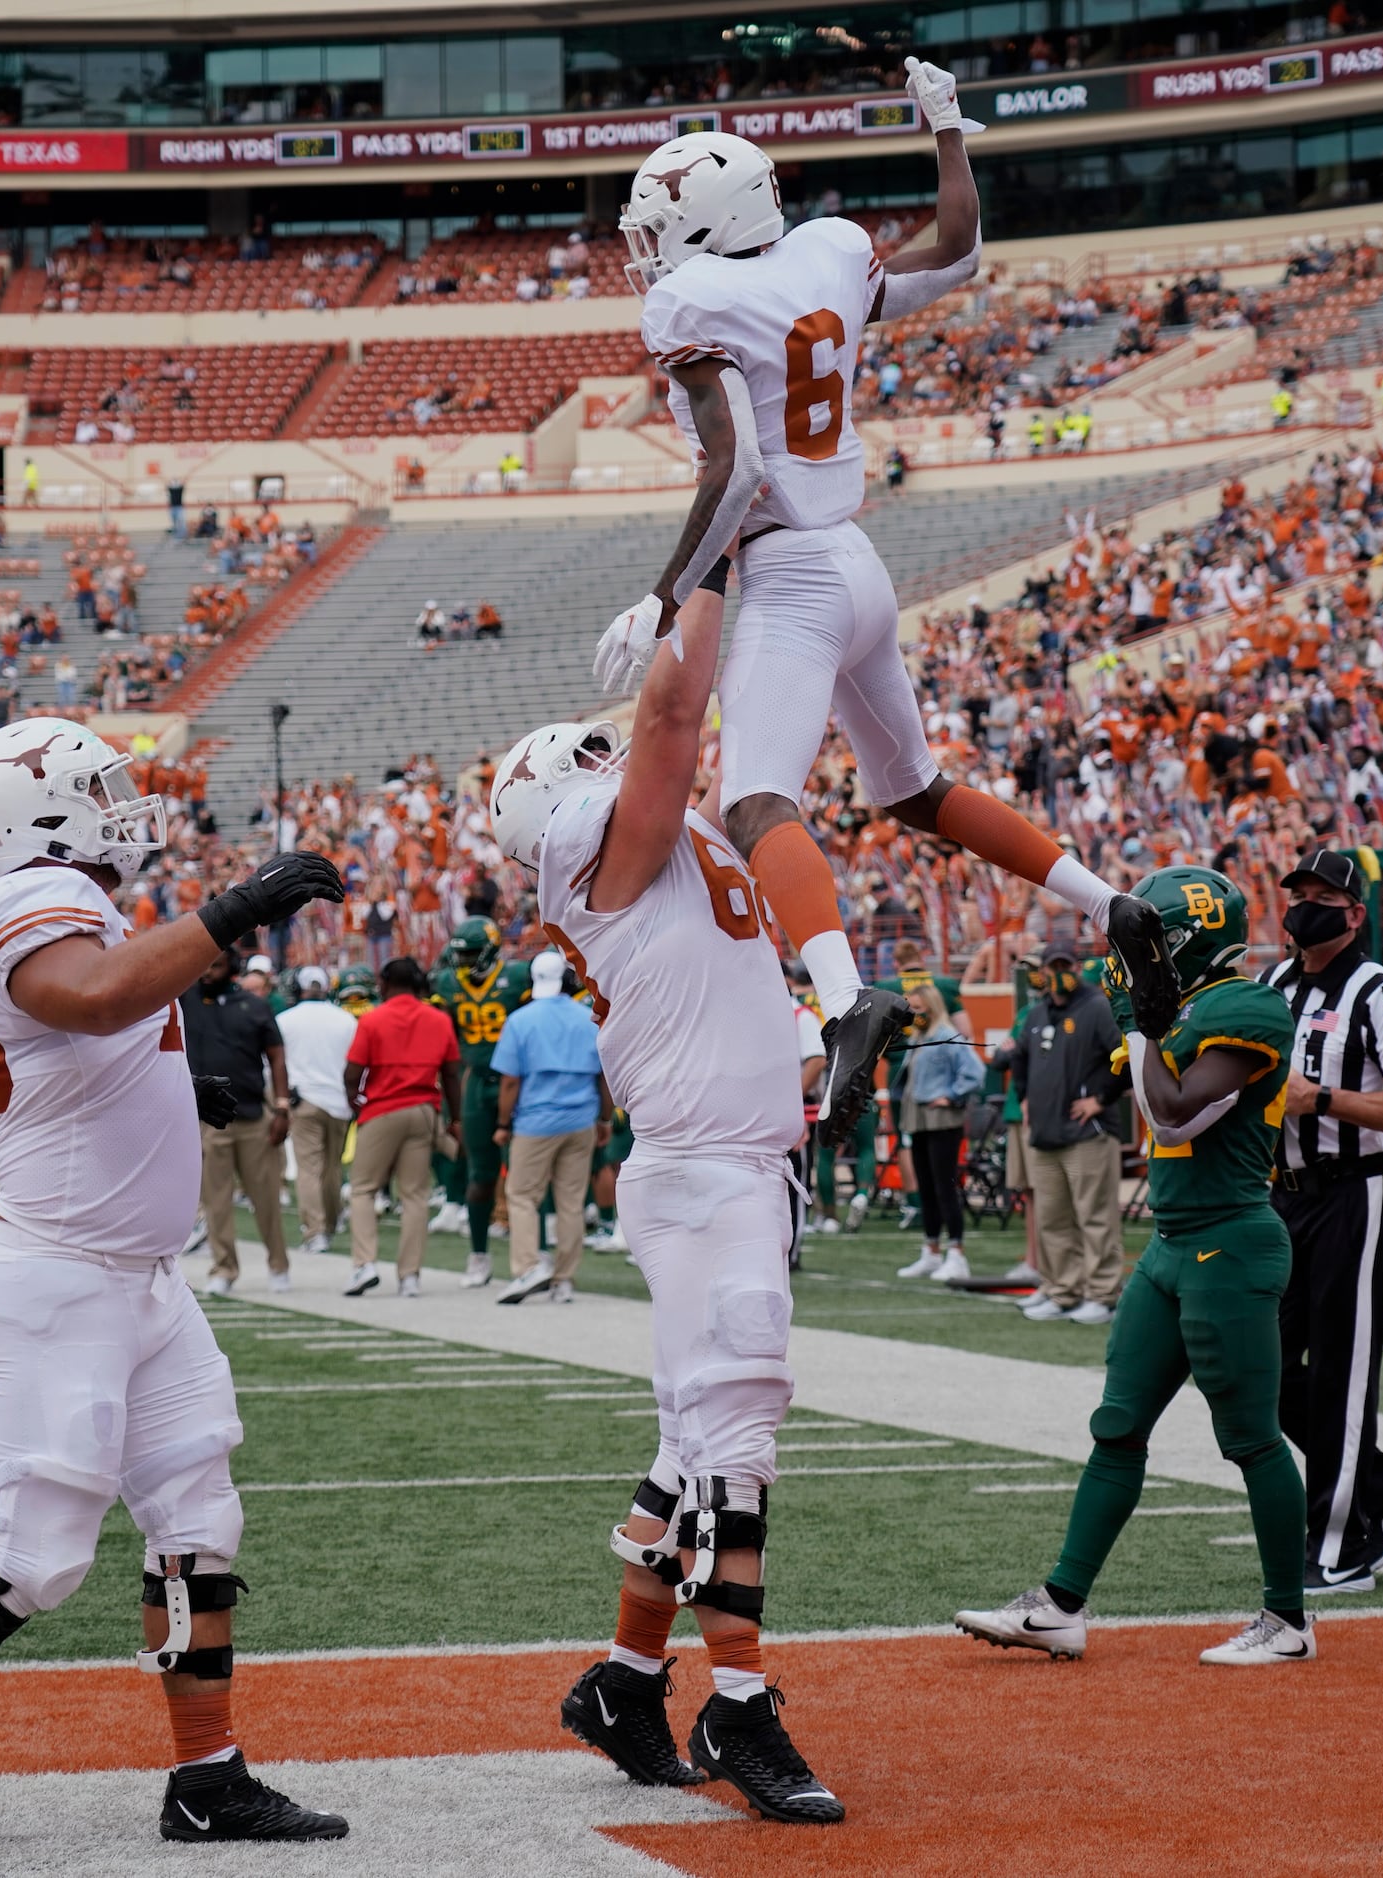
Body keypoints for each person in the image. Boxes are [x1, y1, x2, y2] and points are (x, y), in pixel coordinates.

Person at [0, 717, 346, 1856]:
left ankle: (209, 1777)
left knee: (200, 1523)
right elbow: (91, 999)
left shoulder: (75, 906)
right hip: (59, 1279)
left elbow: (98, 1041)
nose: (123, 803)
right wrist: (233, 911)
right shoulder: (19, 904)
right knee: (39, 1558)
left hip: (141, 1280)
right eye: (99, 787)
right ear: (38, 812)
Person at [596, 70, 1173, 1145]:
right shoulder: (826, 252)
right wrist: (947, 133)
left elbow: (733, 470)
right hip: (856, 559)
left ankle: (840, 997)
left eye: (663, 228)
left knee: (753, 804)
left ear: (710, 228)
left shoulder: (694, 300)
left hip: (788, 570)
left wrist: (664, 594)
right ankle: (1115, 908)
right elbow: (955, 252)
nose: (649, 251)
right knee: (910, 789)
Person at [490, 576, 843, 1824]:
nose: (618, 758)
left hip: (737, 1162)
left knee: (687, 1450)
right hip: (701, 1171)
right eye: (588, 759)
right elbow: (668, 723)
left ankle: (627, 1682)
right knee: (735, 1433)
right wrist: (704, 587)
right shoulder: (605, 850)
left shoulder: (673, 847)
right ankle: (737, 1705)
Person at [956, 866, 1319, 1668]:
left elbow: (1171, 1107)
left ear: (1179, 945)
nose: (1129, 962)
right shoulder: (1189, 1007)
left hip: (1231, 1241)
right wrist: (1144, 1020)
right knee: (1117, 1425)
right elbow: (1152, 1089)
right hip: (1173, 1243)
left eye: (1145, 946)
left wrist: (1133, 1017)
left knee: (1252, 1439)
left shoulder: (1246, 1006)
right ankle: (1060, 1606)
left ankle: (1288, 1620)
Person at [1259, 849, 1383, 1598]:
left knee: (1341, 1369)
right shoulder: (1271, 982)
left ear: (1354, 912)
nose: (1306, 903)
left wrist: (1322, 1100)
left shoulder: (1378, 992)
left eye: (1322, 894)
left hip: (1352, 1193)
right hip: (1282, 1194)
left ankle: (1339, 1543)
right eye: (1297, 890)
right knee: (1256, 1365)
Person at [998, 944, 1128, 1323]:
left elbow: (1124, 1057)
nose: (1057, 973)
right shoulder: (1038, 1012)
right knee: (1052, 1218)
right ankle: (1062, 1290)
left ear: (1076, 967)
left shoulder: (1098, 1008)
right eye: (1051, 967)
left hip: (1088, 1132)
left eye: (1064, 966)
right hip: (1045, 1131)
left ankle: (1103, 1294)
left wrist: (1101, 1098)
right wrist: (1023, 1098)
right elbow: (1018, 1056)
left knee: (1095, 1216)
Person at [341, 957, 462, 1297]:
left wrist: (356, 1101)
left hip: (383, 1108)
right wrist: (455, 1120)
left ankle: (364, 1265)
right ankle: (410, 1276)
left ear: (384, 983)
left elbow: (353, 1072)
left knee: (363, 1188)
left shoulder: (373, 1019)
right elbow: (452, 1074)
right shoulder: (438, 1019)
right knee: (415, 1195)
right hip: (424, 1108)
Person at [489, 949, 605, 1304]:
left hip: (535, 1121)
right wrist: (603, 1118)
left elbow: (510, 1082)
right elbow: (604, 1077)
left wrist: (503, 1123)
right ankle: (564, 1279)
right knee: (570, 1202)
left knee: (522, 1196)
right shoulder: (587, 1018)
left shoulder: (521, 1020)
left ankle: (527, 1268)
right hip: (581, 1117)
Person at [180, 949, 293, 1297]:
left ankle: (279, 1265)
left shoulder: (254, 1006)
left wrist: (282, 1106)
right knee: (216, 1201)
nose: (207, 973)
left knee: (266, 1198)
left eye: (215, 965)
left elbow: (276, 1056)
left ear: (231, 967)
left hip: (253, 1116)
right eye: (204, 965)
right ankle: (224, 1268)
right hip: (211, 1119)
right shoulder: (186, 999)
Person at [431, 917, 532, 1284]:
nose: (464, 962)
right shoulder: (448, 983)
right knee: (480, 1174)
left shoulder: (518, 978)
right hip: (475, 1082)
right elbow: (446, 1035)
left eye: (472, 954)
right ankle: (478, 1255)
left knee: (525, 1175)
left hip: (516, 1081)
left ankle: (534, 1257)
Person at [893, 982, 984, 1282]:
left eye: (919, 1009)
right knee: (928, 1189)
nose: (915, 1014)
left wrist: (952, 1095)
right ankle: (931, 1250)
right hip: (918, 1118)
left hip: (942, 1119)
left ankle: (956, 1253)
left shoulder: (947, 1036)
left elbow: (975, 1072)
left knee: (945, 1187)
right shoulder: (921, 1037)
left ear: (932, 1007)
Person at [274, 964, 357, 1258]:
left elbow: (273, 1063)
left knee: (308, 1169)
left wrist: (280, 1099)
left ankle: (315, 1231)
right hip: (338, 1101)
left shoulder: (285, 1019)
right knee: (332, 1168)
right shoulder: (345, 1020)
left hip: (303, 1098)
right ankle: (331, 1224)